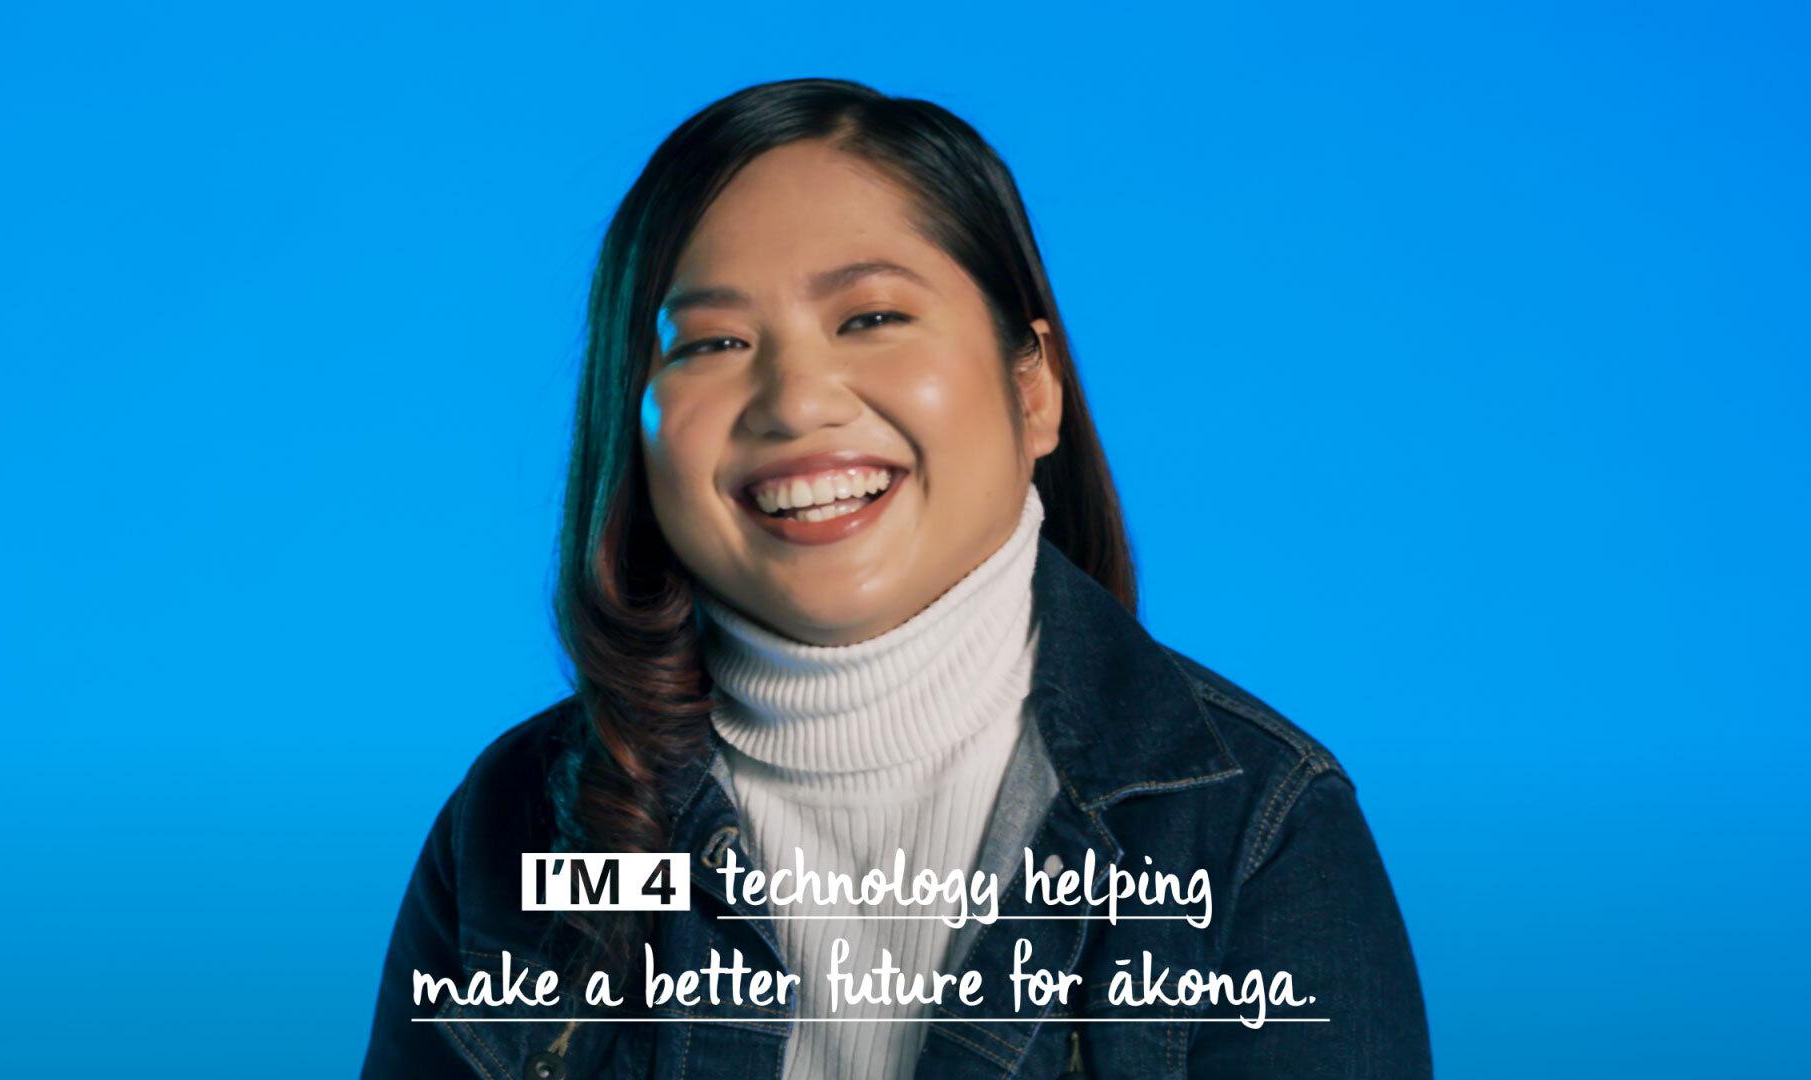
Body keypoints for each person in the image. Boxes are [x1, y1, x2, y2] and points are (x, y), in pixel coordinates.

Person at [362, 77, 1431, 1079]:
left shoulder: (1255, 828)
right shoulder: (514, 819)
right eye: (714, 342)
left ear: (1035, 387)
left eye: (870, 318)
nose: (797, 399)